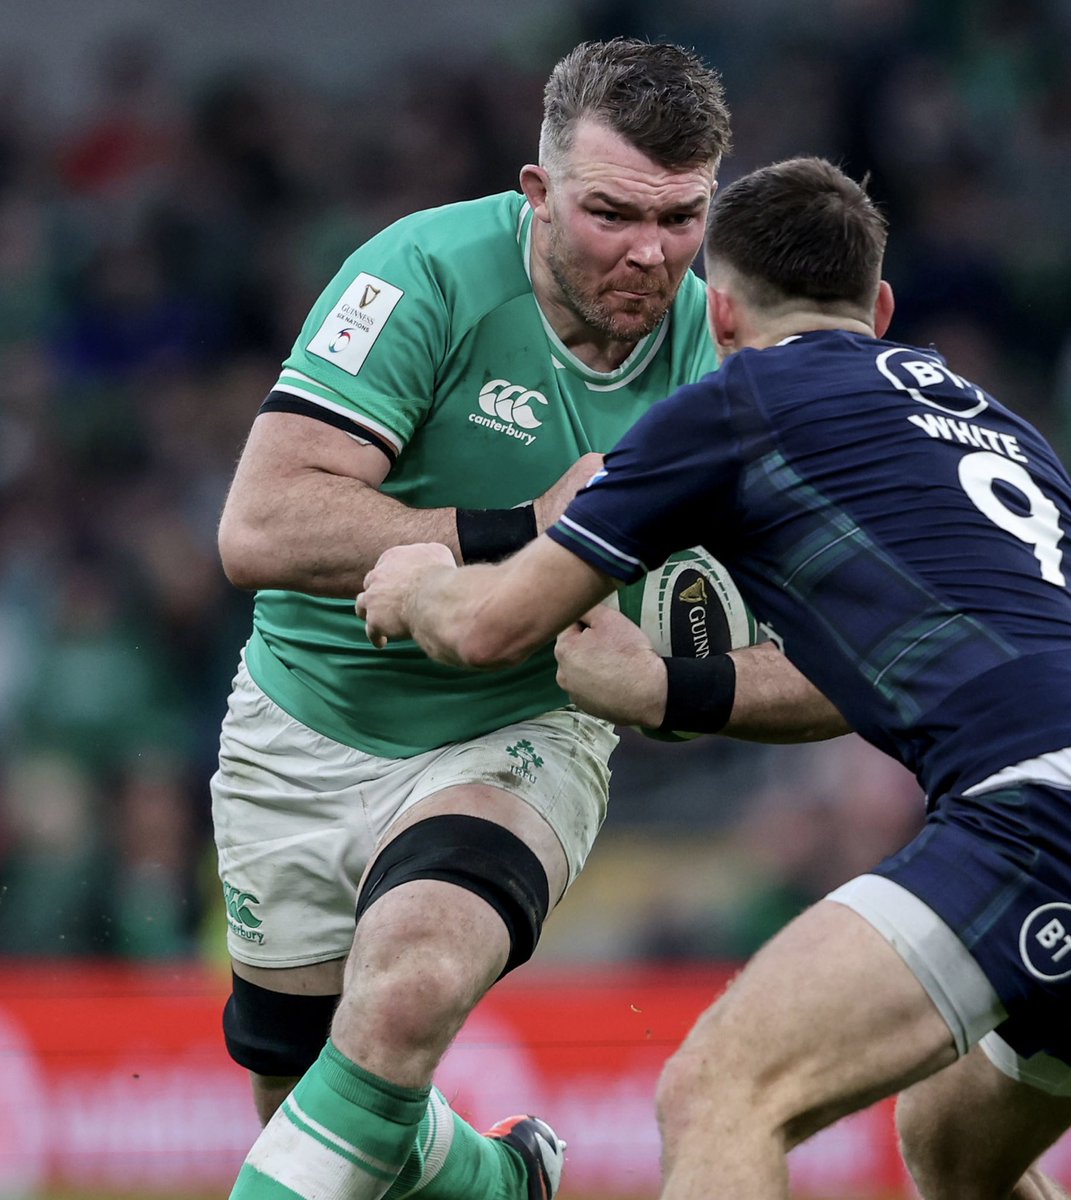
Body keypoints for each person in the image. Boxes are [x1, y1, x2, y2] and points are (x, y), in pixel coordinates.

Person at [357, 156, 1071, 1198]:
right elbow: (878, 672)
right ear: (878, 307)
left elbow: (493, 627)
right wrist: (668, 691)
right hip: (1042, 798)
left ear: (720, 315)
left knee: (721, 1094)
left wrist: (419, 584)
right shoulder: (1002, 428)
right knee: (958, 1147)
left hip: (1037, 814)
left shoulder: (737, 405)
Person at [212, 37, 830, 1200]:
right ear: (536, 192)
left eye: (681, 218)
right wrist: (522, 528)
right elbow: (260, 528)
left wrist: (680, 685)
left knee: (406, 990)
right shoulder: (420, 273)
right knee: (321, 1110)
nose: (649, 253)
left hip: (518, 732)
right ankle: (506, 1184)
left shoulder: (726, 360)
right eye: (610, 213)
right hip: (301, 726)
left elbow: (847, 646)